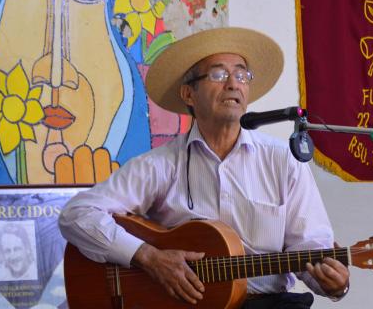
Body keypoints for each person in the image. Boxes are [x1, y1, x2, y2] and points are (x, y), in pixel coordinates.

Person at [59, 27, 349, 308]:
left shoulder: (283, 160)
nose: (233, 84)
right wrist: (148, 257)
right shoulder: (160, 164)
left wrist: (333, 283)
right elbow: (76, 214)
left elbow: (310, 246)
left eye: (241, 74)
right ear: (188, 95)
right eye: (218, 74)